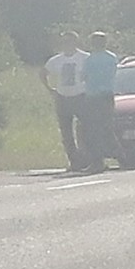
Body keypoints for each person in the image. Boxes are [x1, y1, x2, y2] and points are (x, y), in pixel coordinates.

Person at [43, 37, 91, 169]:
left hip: (81, 96)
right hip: (63, 98)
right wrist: (49, 89)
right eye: (65, 42)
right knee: (66, 133)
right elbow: (43, 73)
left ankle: (88, 158)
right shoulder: (56, 60)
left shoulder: (85, 57)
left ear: (75, 42)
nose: (67, 45)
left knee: (85, 129)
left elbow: (91, 74)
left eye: (70, 42)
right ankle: (74, 161)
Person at [81, 30, 124, 170]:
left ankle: (98, 161)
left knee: (92, 130)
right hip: (107, 95)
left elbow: (84, 77)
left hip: (93, 96)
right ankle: (121, 157)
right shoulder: (112, 58)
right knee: (106, 128)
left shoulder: (89, 59)